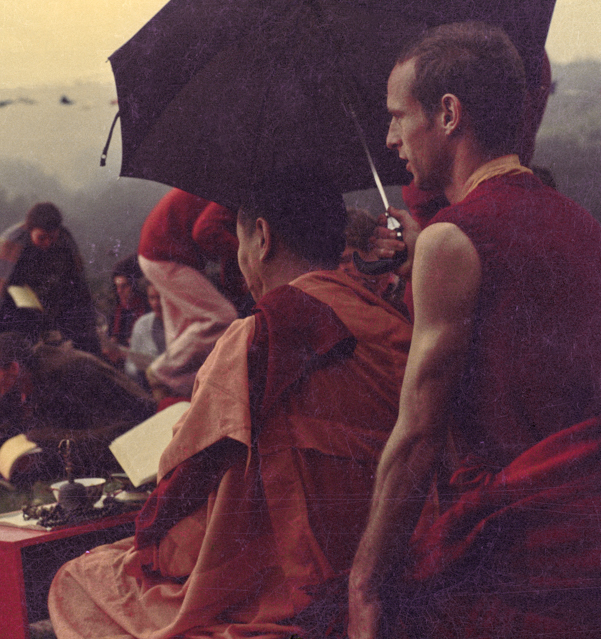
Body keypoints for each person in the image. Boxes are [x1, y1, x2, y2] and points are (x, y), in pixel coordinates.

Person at [347, 22, 601, 639]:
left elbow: (418, 434)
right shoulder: (580, 221)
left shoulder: (454, 239)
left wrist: (364, 584)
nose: (391, 136)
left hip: (529, 561)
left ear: (448, 114)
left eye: (399, 116)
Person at [48, 175, 412, 639]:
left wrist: (154, 551)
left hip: (290, 585)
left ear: (261, 237)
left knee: (78, 580)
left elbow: (177, 503)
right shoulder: (393, 326)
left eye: (239, 244)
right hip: (387, 562)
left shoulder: (257, 338)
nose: (237, 264)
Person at [0, 331, 156, 484]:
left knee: (36, 439)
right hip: (78, 435)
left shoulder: (68, 373)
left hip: (128, 427)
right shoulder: (16, 380)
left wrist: (45, 438)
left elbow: (110, 424)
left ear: (14, 369)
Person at [137, 189, 244, 399]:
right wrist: (243, 253)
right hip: (164, 253)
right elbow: (205, 230)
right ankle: (161, 372)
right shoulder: (236, 191)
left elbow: (220, 238)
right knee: (222, 317)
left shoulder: (228, 186)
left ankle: (172, 394)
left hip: (159, 251)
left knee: (183, 334)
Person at [0, 202, 101, 354]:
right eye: (41, 238)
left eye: (52, 237)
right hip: (16, 311)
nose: (47, 243)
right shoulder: (12, 242)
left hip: (55, 306)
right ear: (30, 231)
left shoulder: (65, 242)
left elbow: (77, 285)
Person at [123, 280, 166, 387]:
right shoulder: (142, 324)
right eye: (152, 298)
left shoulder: (182, 324)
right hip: (148, 386)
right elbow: (130, 364)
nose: (156, 303)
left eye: (160, 297)